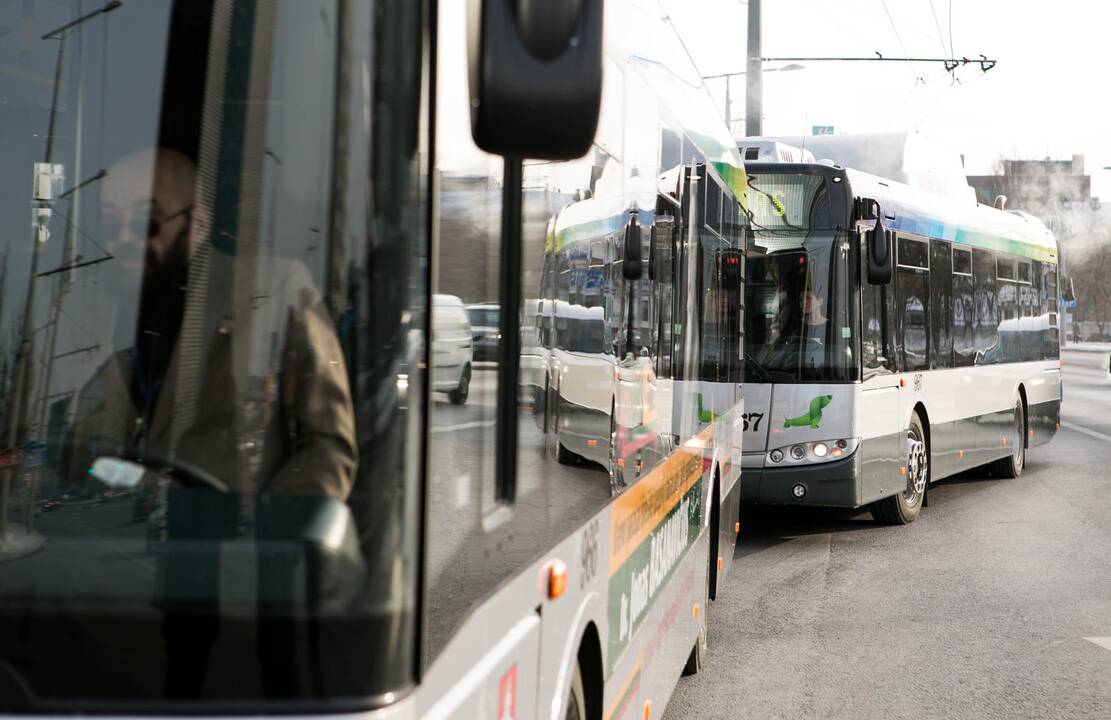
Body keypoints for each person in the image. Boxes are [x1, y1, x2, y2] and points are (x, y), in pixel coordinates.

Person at [64, 147, 357, 697]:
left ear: (196, 223)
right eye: (110, 222)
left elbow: (330, 443)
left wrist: (272, 529)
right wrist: (106, 469)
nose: (123, 237)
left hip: (257, 578)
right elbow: (88, 436)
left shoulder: (274, 288)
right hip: (143, 573)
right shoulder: (113, 302)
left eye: (143, 220)